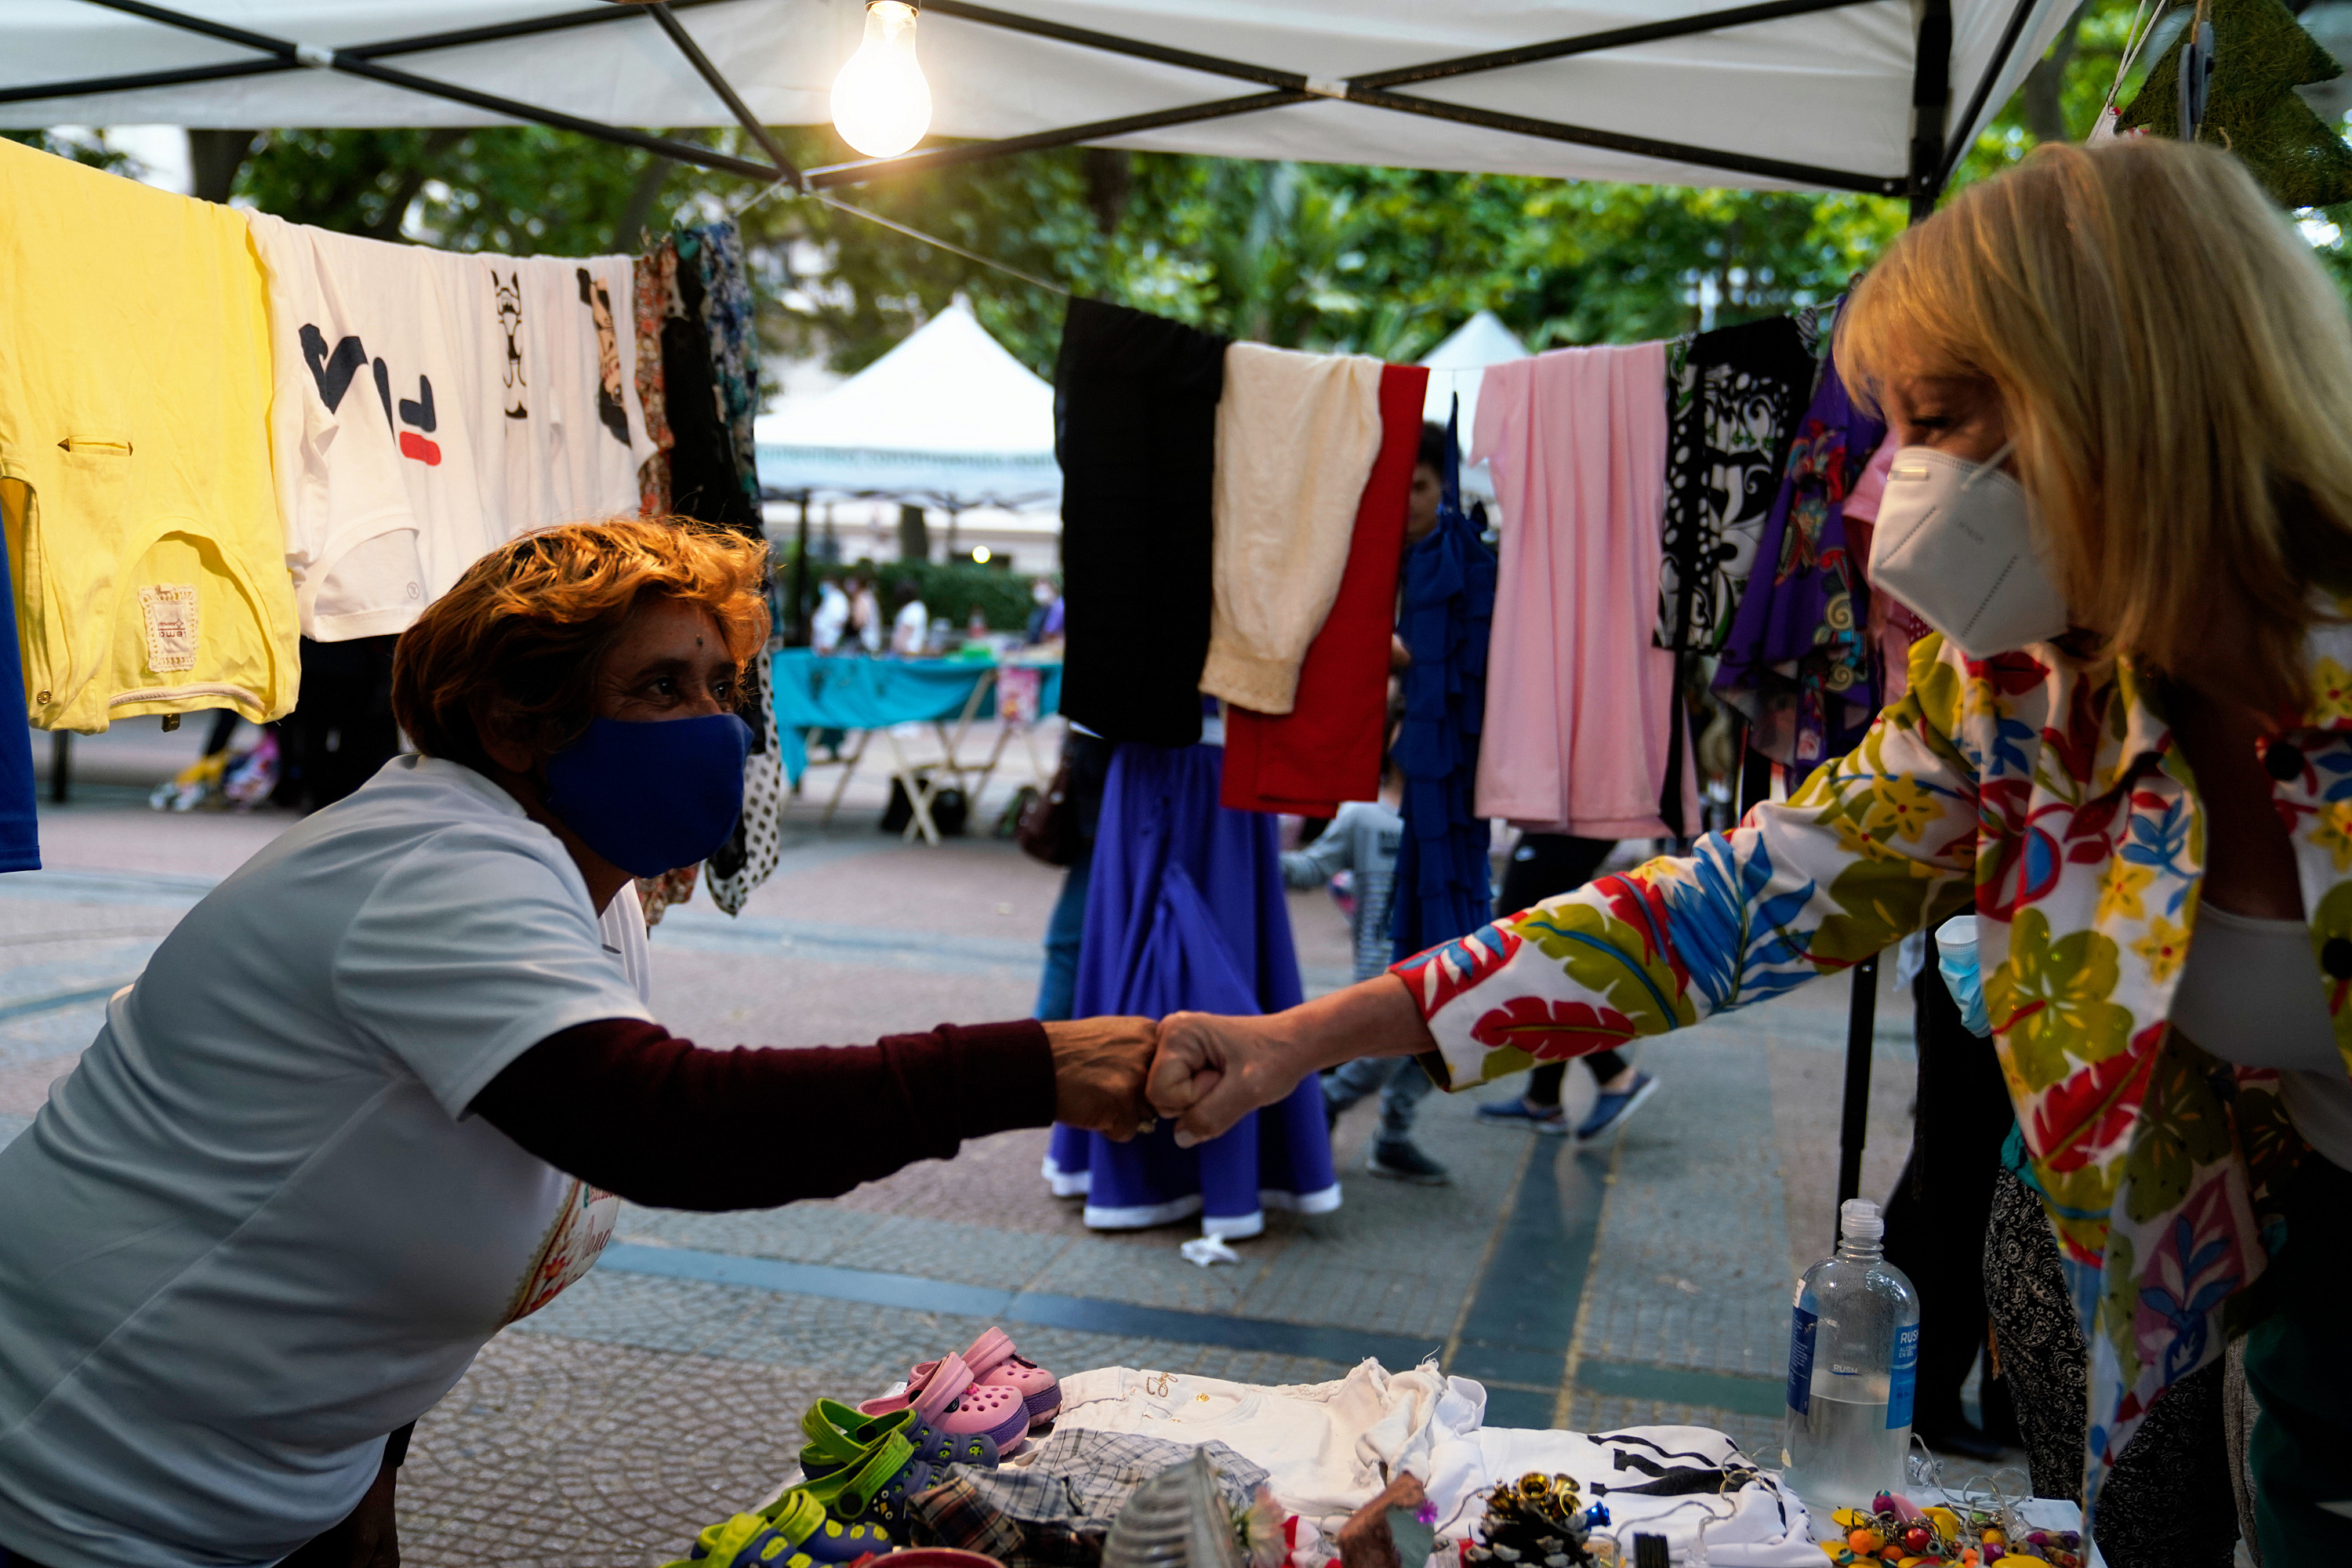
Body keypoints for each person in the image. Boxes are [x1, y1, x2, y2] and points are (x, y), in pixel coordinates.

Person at [1148, 140, 2352, 1562]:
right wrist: (1302, 1037)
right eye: (1893, 427)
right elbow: (1704, 916)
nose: (1892, 484)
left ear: (2127, 394)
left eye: (1945, 419)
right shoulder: (2026, 695)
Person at [0, 518, 1156, 1568]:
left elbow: (384, 1220)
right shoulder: (436, 867)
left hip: (258, 1496)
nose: (711, 724)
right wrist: (1038, 1067)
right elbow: (671, 1129)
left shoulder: (590, 892)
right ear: (514, 722)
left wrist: (361, 1492)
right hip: (62, 1485)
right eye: (662, 687)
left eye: (720, 684)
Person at [1280, 775, 1447, 1185]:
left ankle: (1393, 1137)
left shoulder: (1455, 812)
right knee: (1382, 1053)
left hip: (1450, 956)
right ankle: (1323, 1103)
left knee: (1446, 1050)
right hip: (1385, 963)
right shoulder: (1364, 815)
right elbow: (1312, 869)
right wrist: (1249, 844)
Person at [1473, 833, 1659, 1140]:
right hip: (1564, 821)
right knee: (1540, 952)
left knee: (1520, 946)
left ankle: (1614, 1073)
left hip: (1566, 821)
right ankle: (1543, 1098)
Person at [811, 572, 851, 654]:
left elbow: (837, 621)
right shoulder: (830, 598)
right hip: (821, 642)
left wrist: (828, 642)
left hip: (828, 642)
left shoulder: (837, 598)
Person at [890, 576, 930, 656]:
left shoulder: (910, 610)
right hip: (915, 652)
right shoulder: (919, 607)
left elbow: (904, 633)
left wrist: (894, 651)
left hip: (906, 654)